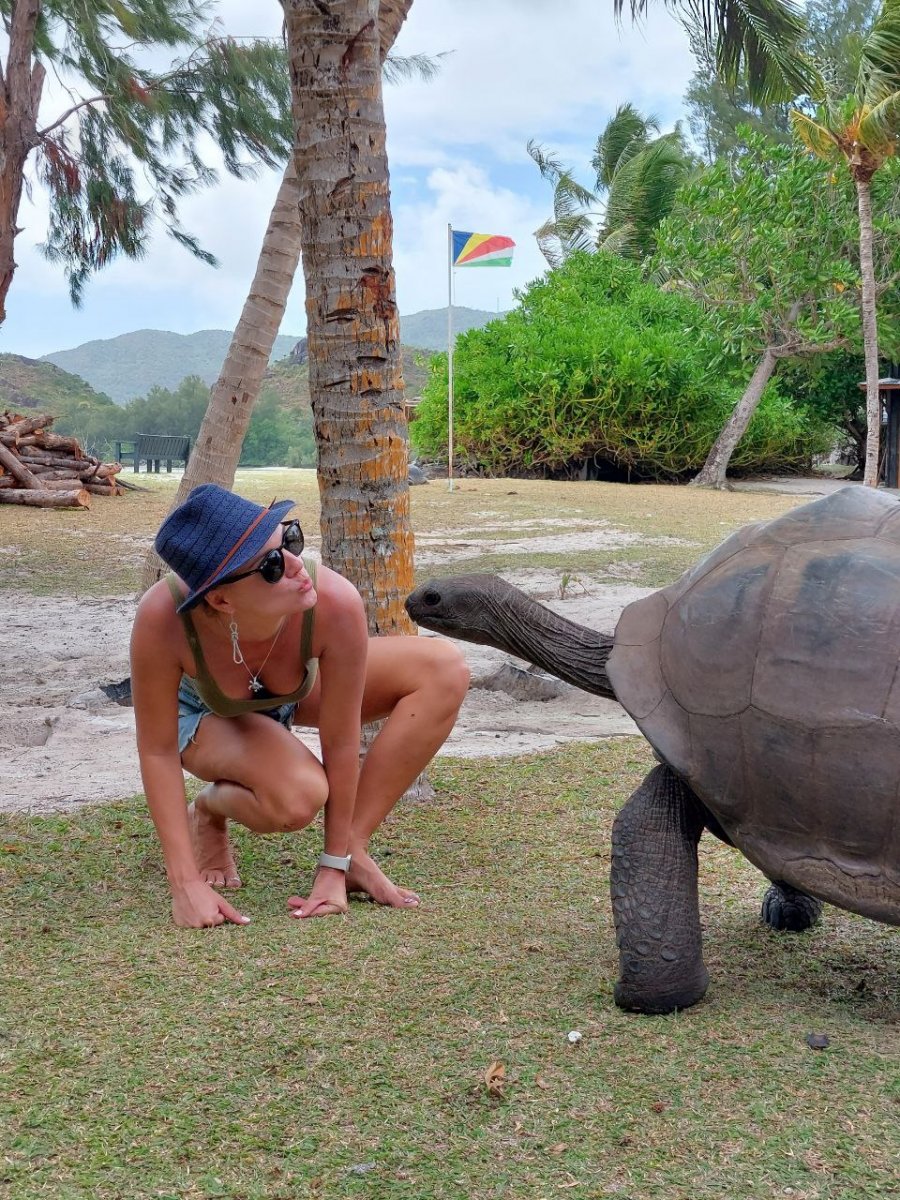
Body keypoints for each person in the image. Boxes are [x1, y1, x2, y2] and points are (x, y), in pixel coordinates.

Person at [130, 484, 469, 929]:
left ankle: (354, 852)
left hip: (292, 691)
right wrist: (186, 884)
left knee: (444, 668)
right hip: (205, 712)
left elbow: (343, 741)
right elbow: (156, 751)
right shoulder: (161, 619)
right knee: (297, 798)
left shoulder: (334, 600)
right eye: (271, 565)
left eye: (289, 540)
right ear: (221, 599)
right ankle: (210, 810)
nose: (296, 566)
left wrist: (335, 863)